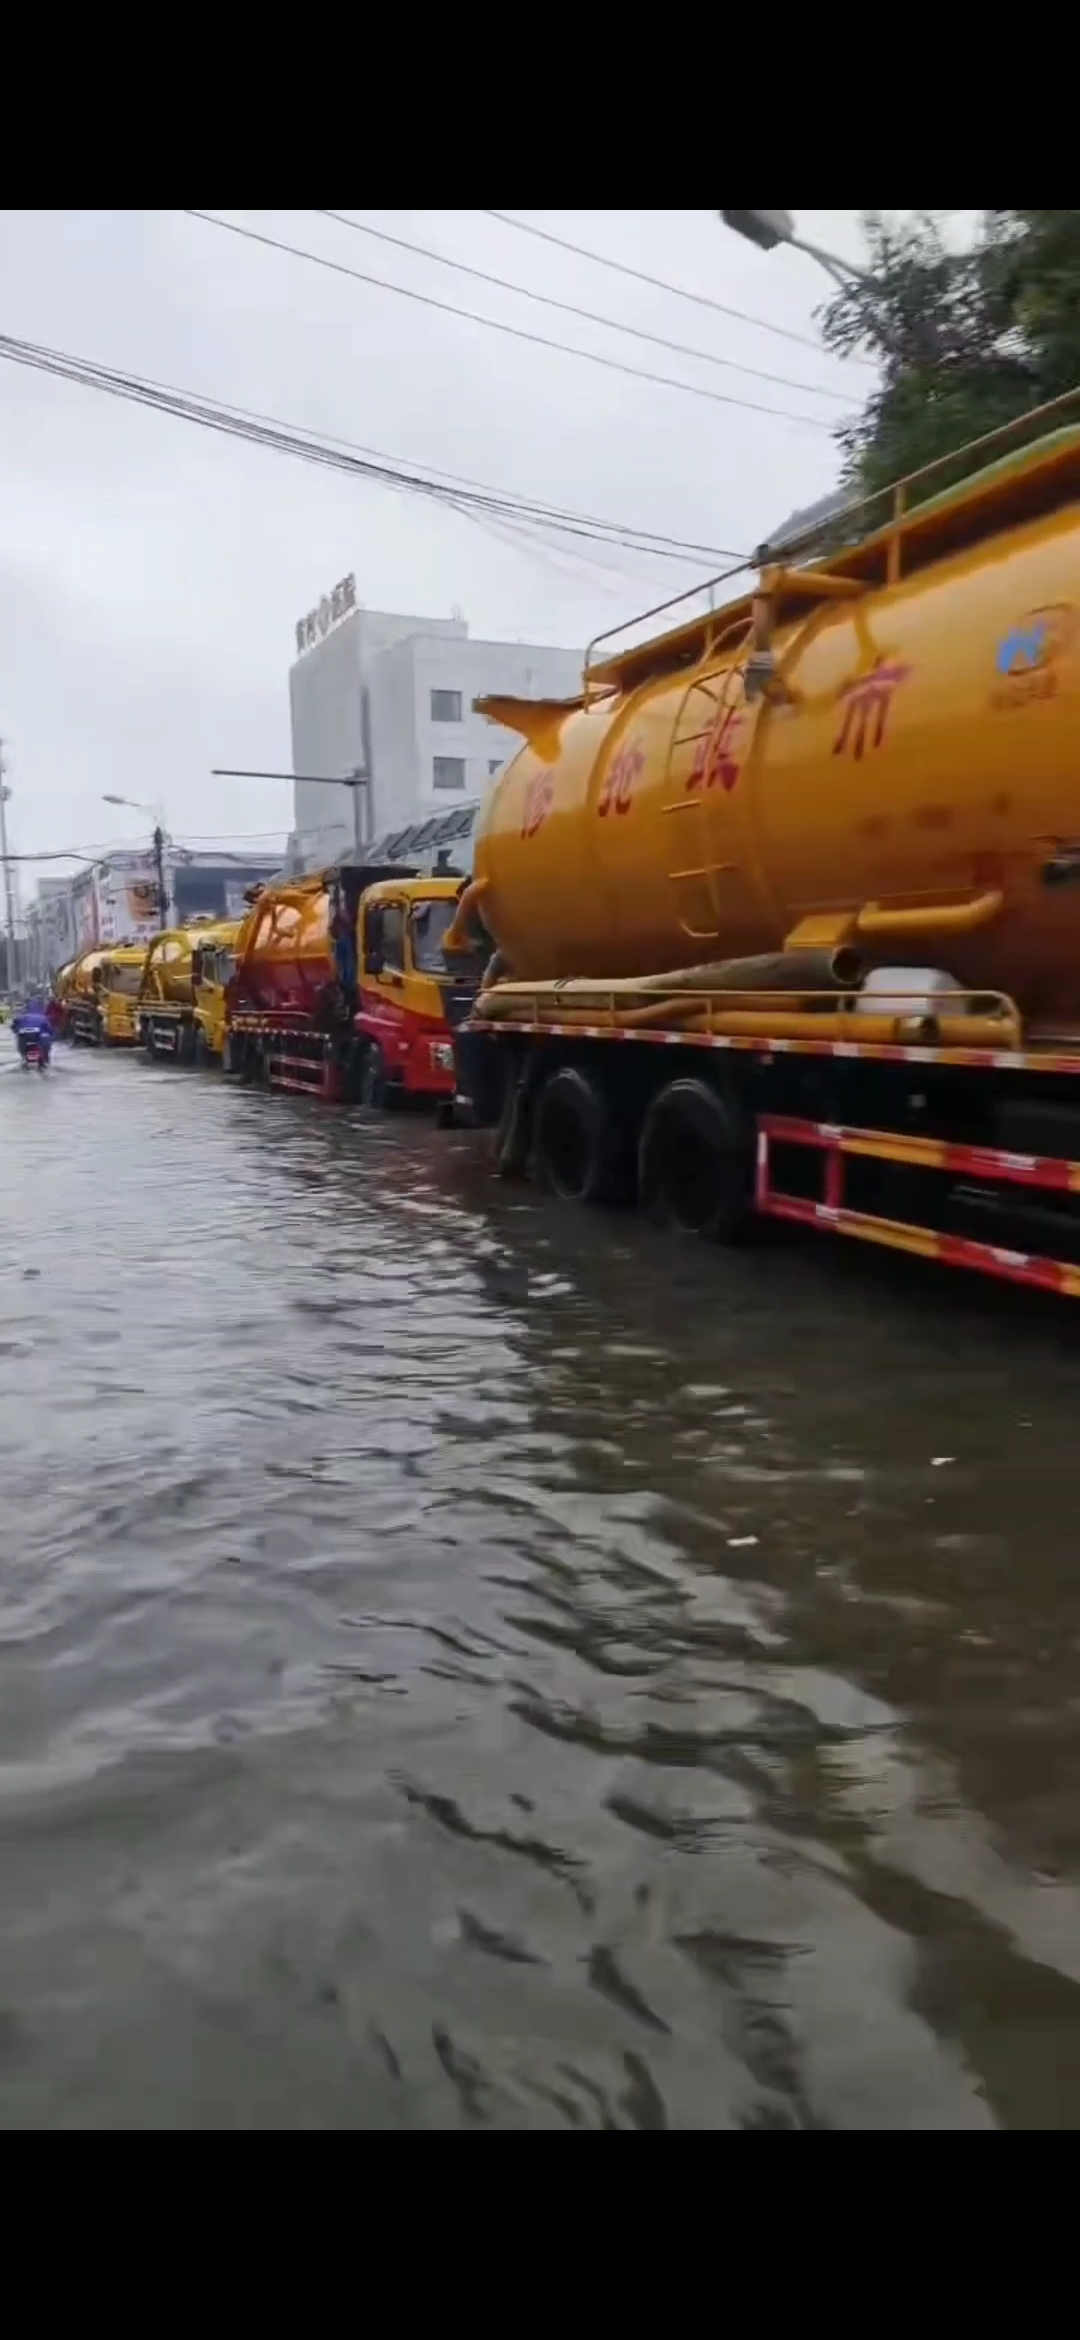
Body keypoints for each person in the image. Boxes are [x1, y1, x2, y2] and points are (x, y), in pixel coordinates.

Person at [12, 997, 54, 1066]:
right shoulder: (43, 1017)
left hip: (25, 1037)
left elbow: (15, 1028)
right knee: (46, 1046)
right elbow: (49, 1029)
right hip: (39, 1038)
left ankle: (24, 1058)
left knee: (22, 1047)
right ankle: (45, 1060)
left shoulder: (22, 1017)